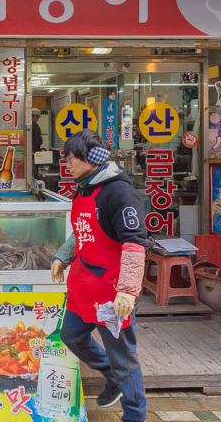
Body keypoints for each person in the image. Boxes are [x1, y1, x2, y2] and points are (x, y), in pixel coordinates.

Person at [50, 129, 148, 422]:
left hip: (111, 294)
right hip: (84, 288)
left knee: (124, 359)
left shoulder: (119, 191)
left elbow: (135, 243)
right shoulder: (85, 187)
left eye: (71, 158)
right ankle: (112, 377)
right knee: (71, 335)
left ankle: (134, 415)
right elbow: (83, 233)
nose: (66, 163)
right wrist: (62, 256)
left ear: (91, 158)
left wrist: (128, 290)